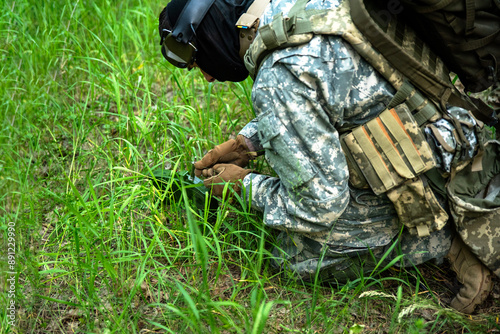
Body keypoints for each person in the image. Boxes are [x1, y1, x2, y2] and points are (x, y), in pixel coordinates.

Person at [158, 0, 496, 313]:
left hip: (435, 179)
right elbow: (339, 86)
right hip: (458, 132)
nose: (206, 75)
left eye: (197, 59)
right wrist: (248, 141)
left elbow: (320, 207)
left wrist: (243, 186)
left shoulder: (278, 76)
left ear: (213, 32)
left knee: (295, 256)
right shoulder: (297, 8)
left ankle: (440, 239)